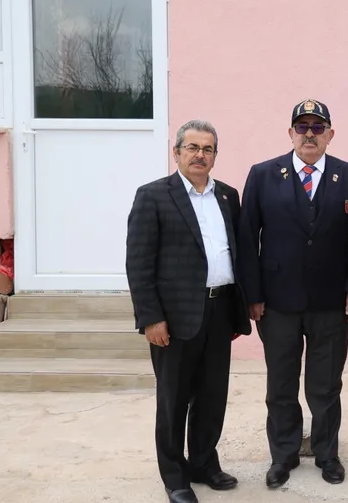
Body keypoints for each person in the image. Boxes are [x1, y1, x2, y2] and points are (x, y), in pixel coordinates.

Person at [236, 99, 348, 488]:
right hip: (277, 302)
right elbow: (247, 240)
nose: (309, 134)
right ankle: (284, 455)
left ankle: (327, 453)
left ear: (330, 134)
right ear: (290, 132)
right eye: (302, 127)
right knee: (281, 383)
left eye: (317, 127)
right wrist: (253, 294)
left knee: (325, 384)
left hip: (331, 302)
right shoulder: (262, 175)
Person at [125, 119, 250, 503]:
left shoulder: (228, 196)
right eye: (192, 147)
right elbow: (139, 262)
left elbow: (236, 253)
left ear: (215, 155)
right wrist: (150, 318)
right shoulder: (153, 196)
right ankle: (175, 477)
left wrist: (236, 311)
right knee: (174, 399)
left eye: (207, 149)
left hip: (219, 310)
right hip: (174, 320)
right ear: (176, 152)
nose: (200, 155)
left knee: (213, 395)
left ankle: (204, 464)